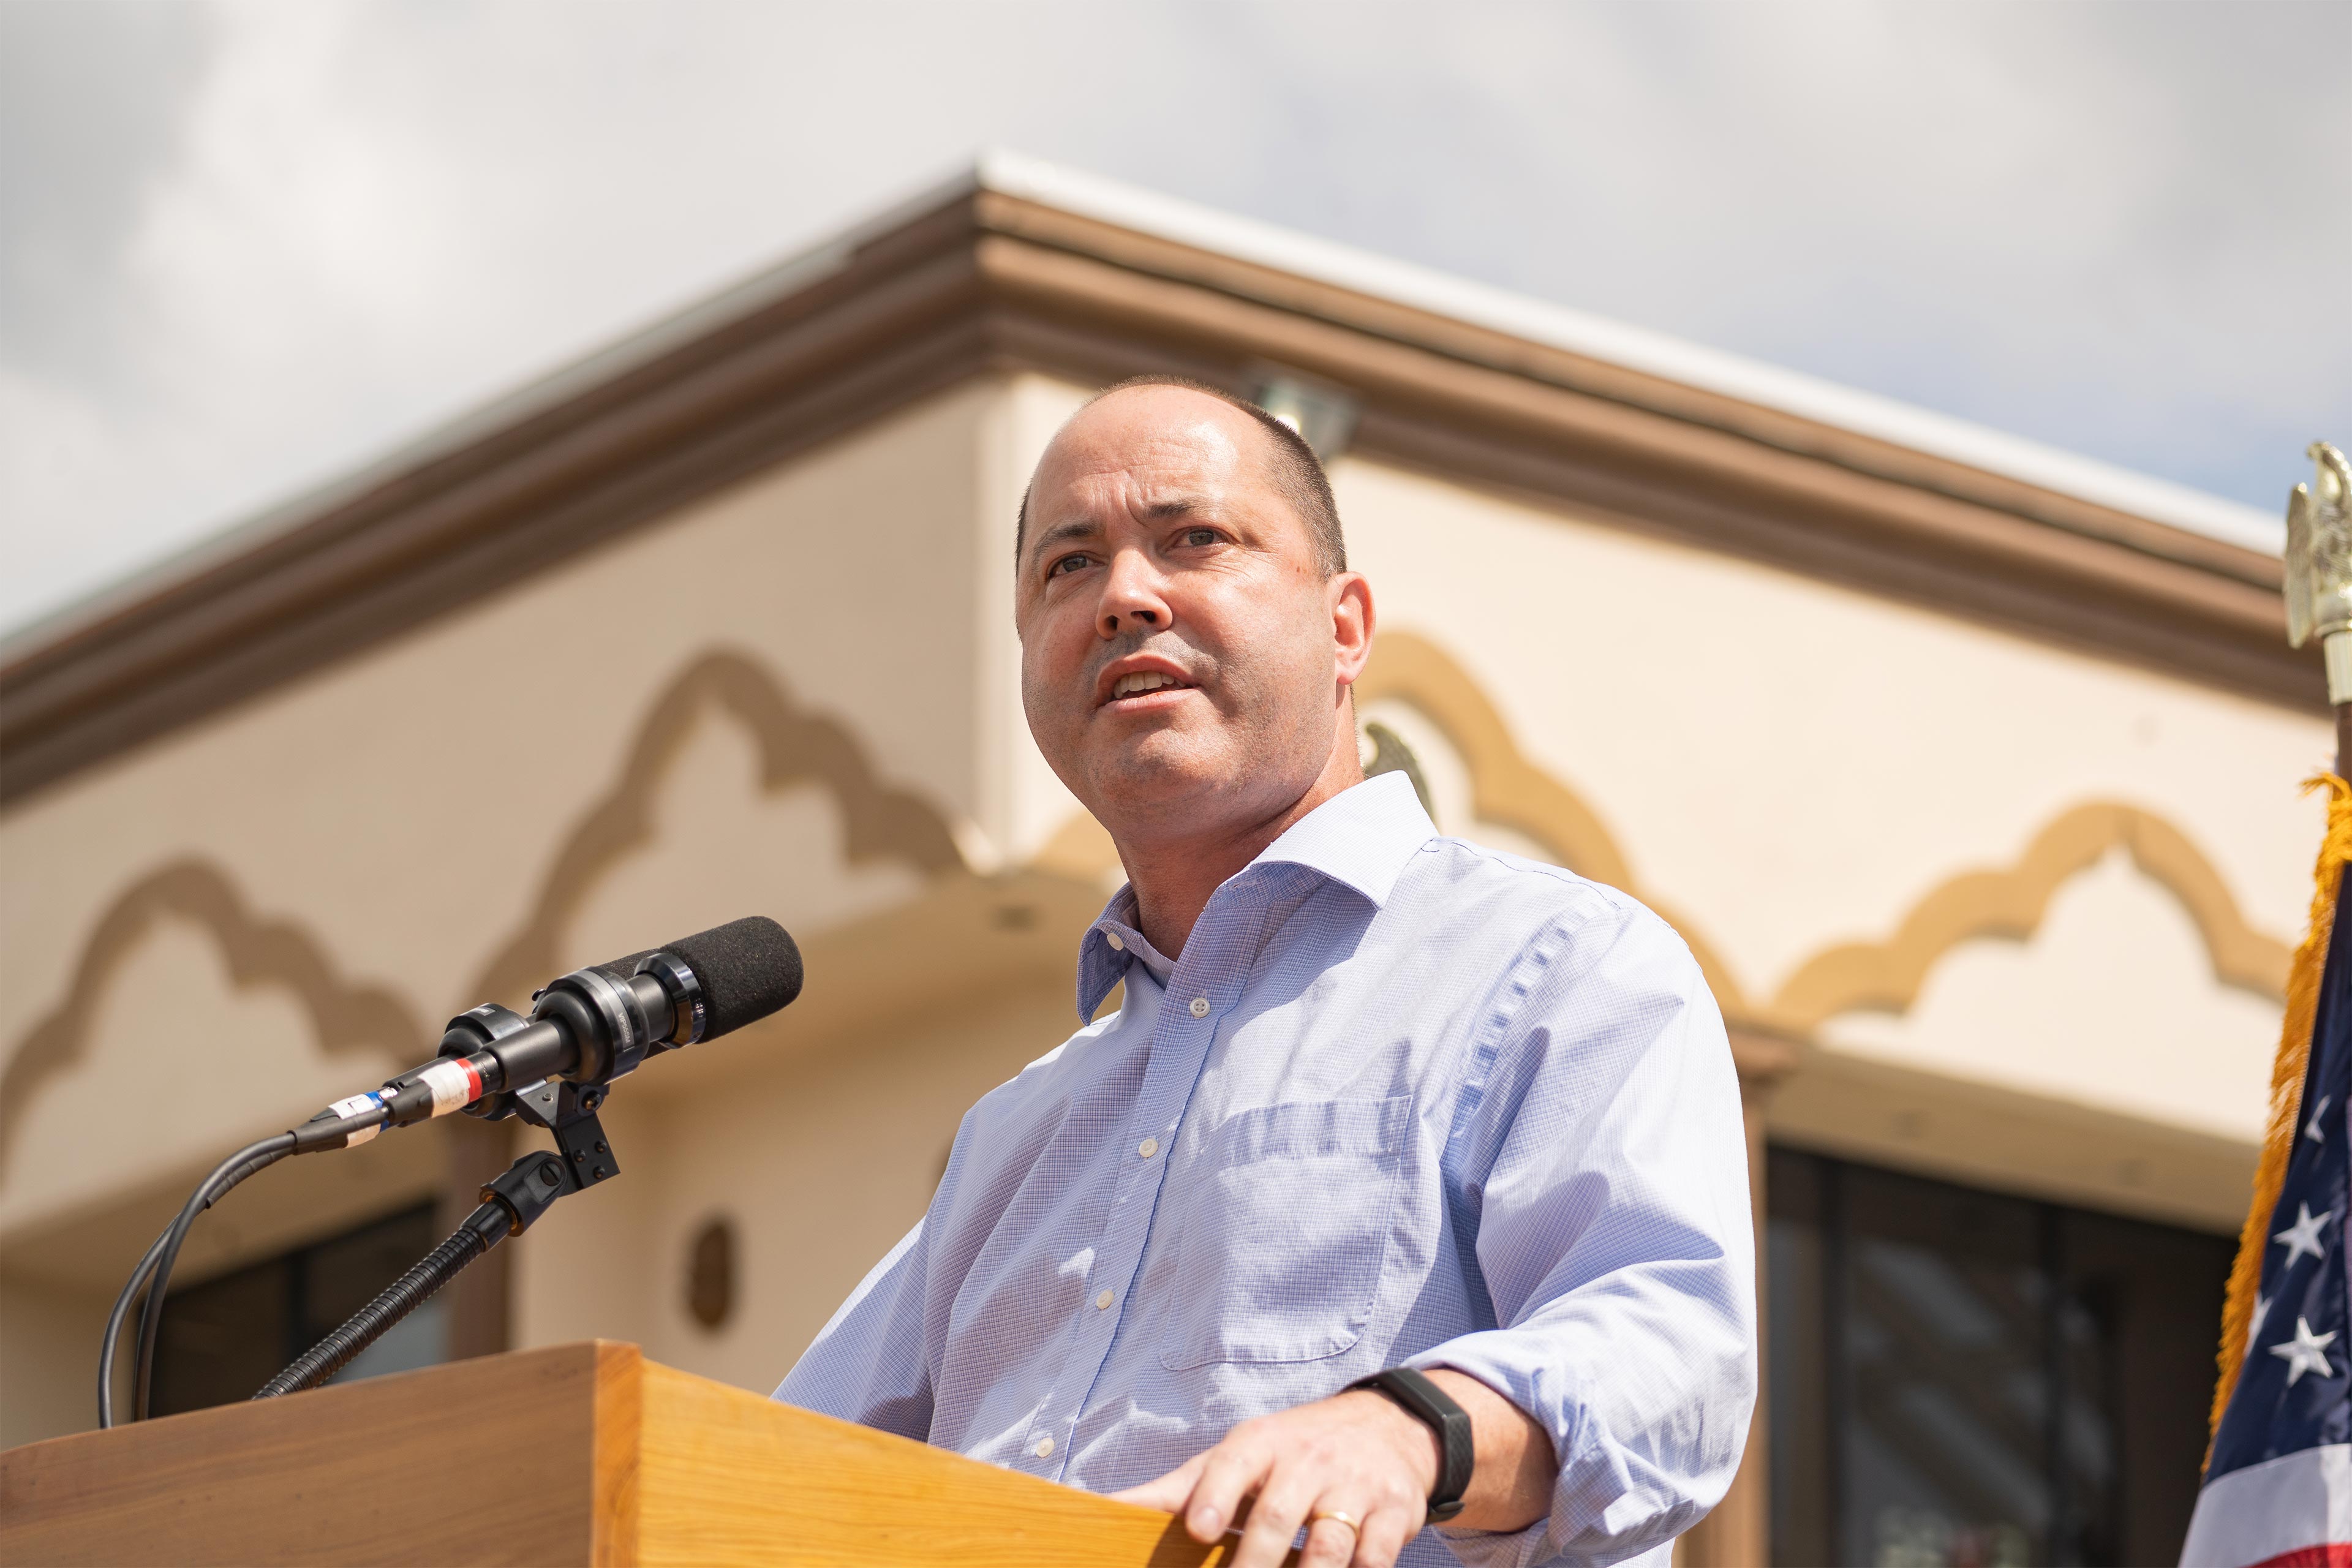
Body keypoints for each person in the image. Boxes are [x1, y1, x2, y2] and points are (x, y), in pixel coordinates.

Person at [776, 377, 1756, 1568]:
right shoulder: (1015, 1139)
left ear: (1346, 626)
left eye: (1194, 538)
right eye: (1067, 566)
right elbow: (778, 1480)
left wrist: (1407, 1432)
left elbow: (1673, 1355)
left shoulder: (1559, 966)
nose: (1124, 596)